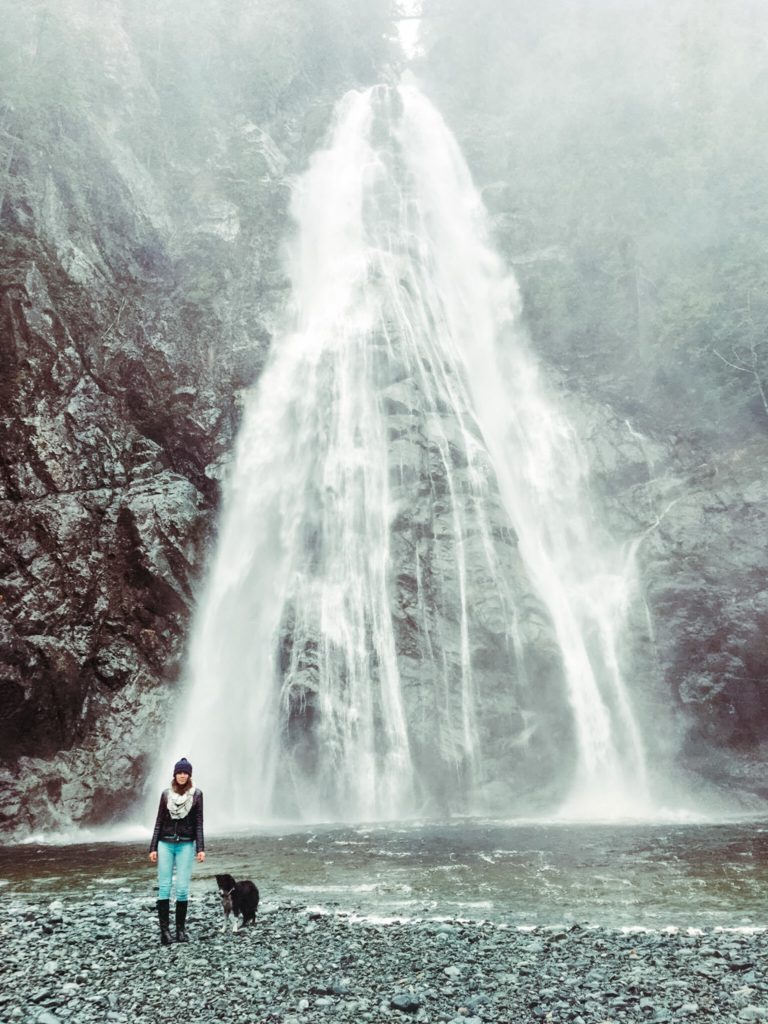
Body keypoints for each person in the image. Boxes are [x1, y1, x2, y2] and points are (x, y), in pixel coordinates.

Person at [149, 757, 205, 944]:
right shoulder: (166, 795)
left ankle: (180, 931)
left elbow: (199, 823)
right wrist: (153, 847)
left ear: (189, 775)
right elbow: (158, 822)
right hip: (165, 844)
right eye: (179, 772)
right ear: (175, 774)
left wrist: (201, 848)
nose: (182, 775)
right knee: (164, 888)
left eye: (185, 772)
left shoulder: (196, 795)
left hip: (186, 845)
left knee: (182, 889)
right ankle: (165, 933)